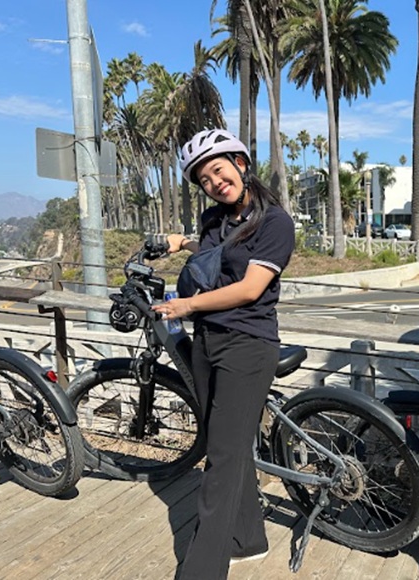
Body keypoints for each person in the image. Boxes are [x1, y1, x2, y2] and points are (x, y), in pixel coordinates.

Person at [153, 129, 295, 580]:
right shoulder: (214, 219)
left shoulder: (275, 222)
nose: (214, 182)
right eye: (203, 178)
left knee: (221, 459)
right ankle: (247, 538)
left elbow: (251, 287)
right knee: (229, 447)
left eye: (218, 169)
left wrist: (187, 305)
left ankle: (201, 570)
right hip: (207, 342)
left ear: (240, 161)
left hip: (247, 346)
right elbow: (216, 254)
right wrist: (181, 242)